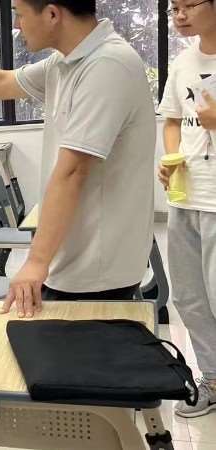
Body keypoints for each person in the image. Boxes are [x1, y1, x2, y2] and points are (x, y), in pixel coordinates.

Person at [0, 0, 155, 316]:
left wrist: (35, 262)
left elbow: (73, 172)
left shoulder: (107, 65)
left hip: (97, 269)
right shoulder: (65, 63)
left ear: (52, 14)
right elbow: (1, 82)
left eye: (19, 14)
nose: (16, 25)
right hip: (72, 257)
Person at [157, 0, 216, 418]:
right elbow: (173, 120)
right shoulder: (181, 64)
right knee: (190, 298)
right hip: (185, 197)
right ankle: (212, 378)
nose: (179, 15)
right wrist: (171, 158)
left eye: (188, 5)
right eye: (173, 8)